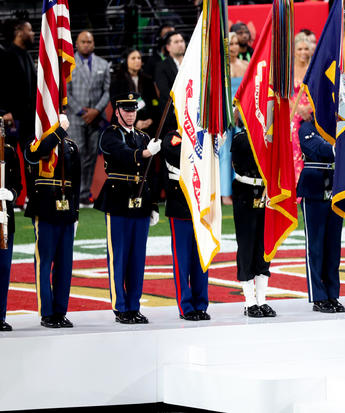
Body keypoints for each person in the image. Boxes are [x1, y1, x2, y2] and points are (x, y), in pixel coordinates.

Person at [95, 93, 161, 324]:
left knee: (137, 259)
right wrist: (145, 153)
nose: (131, 114)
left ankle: (134, 305)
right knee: (119, 256)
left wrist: (153, 204)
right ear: (117, 111)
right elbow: (122, 154)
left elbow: (150, 174)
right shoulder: (110, 134)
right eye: (126, 110)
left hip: (140, 203)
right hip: (118, 200)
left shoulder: (144, 137)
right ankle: (120, 307)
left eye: (134, 110)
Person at [24, 116, 80, 328]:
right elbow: (35, 154)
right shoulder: (35, 142)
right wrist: (59, 132)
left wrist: (76, 214)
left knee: (65, 264)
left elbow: (77, 181)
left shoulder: (71, 147)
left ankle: (60, 311)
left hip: (66, 209)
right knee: (45, 261)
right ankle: (47, 312)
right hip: (45, 206)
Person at [297, 120, 345, 314]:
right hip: (314, 191)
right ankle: (318, 297)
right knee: (315, 248)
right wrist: (337, 147)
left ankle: (333, 294)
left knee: (333, 248)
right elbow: (315, 147)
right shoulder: (307, 127)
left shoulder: (339, 125)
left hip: (336, 190)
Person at [162, 130, 210, 321]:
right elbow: (176, 153)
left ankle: (201, 304)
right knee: (182, 261)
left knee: (201, 260)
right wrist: (204, 145)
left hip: (200, 206)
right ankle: (186, 306)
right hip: (180, 205)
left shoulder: (202, 134)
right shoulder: (173, 136)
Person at [230, 127, 276, 318]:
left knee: (264, 247)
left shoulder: (269, 136)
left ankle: (262, 300)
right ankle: (249, 301)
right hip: (245, 192)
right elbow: (249, 155)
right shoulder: (240, 138)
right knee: (247, 246)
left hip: (267, 193)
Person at [66, 31, 111, 207]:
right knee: (76, 154)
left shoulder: (103, 64)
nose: (86, 44)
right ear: (77, 44)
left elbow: (106, 91)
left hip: (96, 118)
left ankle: (85, 194)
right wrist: (80, 112)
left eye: (89, 41)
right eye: (83, 41)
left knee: (91, 156)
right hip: (75, 118)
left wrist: (96, 110)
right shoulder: (68, 64)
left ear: (93, 44)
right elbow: (66, 92)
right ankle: (73, 192)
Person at [221, 32, 249, 206]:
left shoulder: (246, 65)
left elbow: (249, 90)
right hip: (224, 113)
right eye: (230, 44)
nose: (234, 47)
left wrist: (240, 109)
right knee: (225, 152)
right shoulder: (220, 67)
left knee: (242, 150)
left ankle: (240, 187)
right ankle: (225, 193)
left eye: (236, 43)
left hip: (243, 113)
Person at [0, 19, 36, 150]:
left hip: (28, 119)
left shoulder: (27, 55)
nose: (33, 33)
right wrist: (5, 112)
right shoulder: (7, 56)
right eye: (29, 30)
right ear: (19, 32)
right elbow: (3, 86)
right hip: (13, 119)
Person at [110, 48, 160, 139]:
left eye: (139, 58)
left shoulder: (147, 79)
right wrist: (135, 122)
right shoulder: (117, 80)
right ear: (125, 61)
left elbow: (154, 102)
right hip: (124, 123)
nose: (137, 61)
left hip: (148, 122)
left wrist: (151, 119)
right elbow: (116, 106)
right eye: (133, 58)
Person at [0, 130, 22, 331]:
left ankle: (0, 315)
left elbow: (18, 184)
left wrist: (11, 194)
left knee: (3, 268)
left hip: (4, 219)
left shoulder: (8, 152)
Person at [290, 32, 313, 184]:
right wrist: (298, 109)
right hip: (292, 111)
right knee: (293, 136)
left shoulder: (313, 69)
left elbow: (320, 93)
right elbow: (283, 93)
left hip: (312, 112)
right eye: (300, 49)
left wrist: (309, 109)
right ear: (294, 50)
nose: (303, 52)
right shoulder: (288, 69)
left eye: (306, 49)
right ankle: (295, 183)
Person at [154, 31, 186, 134]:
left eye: (181, 41)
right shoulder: (161, 66)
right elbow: (164, 90)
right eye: (176, 42)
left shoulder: (192, 63)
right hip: (172, 115)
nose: (180, 44)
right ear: (168, 47)